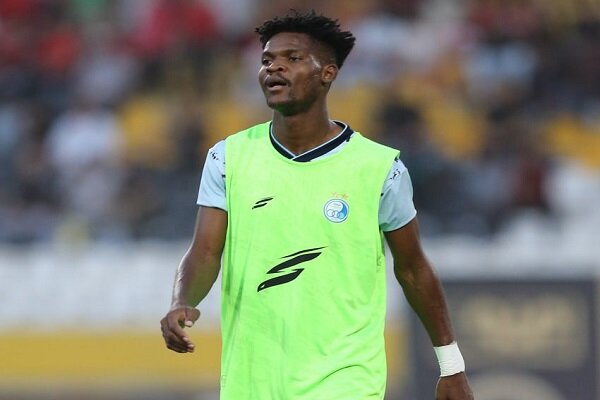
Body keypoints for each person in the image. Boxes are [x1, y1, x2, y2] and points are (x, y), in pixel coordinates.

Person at [160, 10, 473, 400]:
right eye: (267, 60)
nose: (274, 67)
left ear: (327, 73)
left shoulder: (379, 169)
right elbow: (205, 252)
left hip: (346, 379)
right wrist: (181, 302)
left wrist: (451, 365)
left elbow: (413, 268)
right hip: (251, 381)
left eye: (292, 58)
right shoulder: (228, 158)